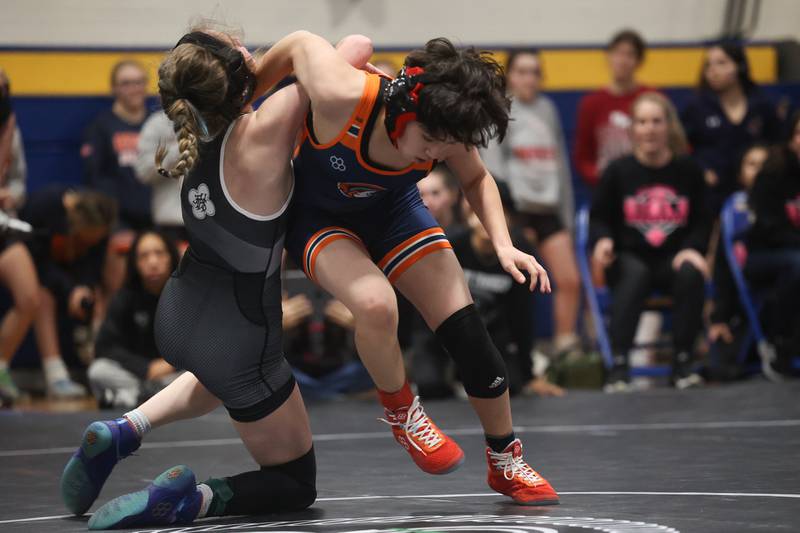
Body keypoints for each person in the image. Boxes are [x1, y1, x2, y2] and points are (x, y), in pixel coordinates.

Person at [60, 30, 376, 530]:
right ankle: (190, 502)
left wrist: (247, 80)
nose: (253, 50)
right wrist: (280, 57)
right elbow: (356, 47)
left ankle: (126, 428)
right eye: (245, 50)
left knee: (215, 377)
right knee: (295, 483)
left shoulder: (199, 134)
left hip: (183, 311)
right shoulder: (266, 126)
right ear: (240, 77)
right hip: (241, 336)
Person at [273, 33, 556, 504]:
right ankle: (404, 413)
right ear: (404, 112)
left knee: (468, 331)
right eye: (428, 143)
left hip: (393, 211)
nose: (433, 157)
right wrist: (243, 97)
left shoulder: (443, 123)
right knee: (375, 304)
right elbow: (299, 42)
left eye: (445, 149)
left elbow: (476, 177)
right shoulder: (345, 94)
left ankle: (505, 460)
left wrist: (504, 245)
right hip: (320, 218)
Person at [591, 92, 710, 392]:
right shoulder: (618, 171)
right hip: (629, 256)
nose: (649, 128)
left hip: (675, 256)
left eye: (656, 121)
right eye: (642, 122)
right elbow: (599, 217)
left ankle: (683, 364)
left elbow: (704, 219)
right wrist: (603, 239)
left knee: (690, 273)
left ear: (669, 126)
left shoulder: (689, 170)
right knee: (635, 274)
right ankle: (619, 366)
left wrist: (694, 249)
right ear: (632, 129)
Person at [481, 48, 581, 359]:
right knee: (523, 284)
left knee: (569, 280)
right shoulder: (498, 108)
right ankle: (521, 352)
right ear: (509, 76)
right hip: (518, 211)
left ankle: (565, 347)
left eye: (535, 72)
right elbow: (491, 167)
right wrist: (505, 215)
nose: (529, 78)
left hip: (547, 210)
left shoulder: (547, 109)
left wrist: (566, 213)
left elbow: (560, 164)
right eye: (522, 71)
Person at [711, 113, 800, 375]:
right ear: (791, 139)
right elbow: (770, 229)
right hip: (766, 254)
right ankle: (779, 341)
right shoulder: (773, 174)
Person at [19, 185, 117, 399]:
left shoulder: (101, 227)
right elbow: (37, 261)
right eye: (87, 237)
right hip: (40, 273)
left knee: (100, 294)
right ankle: (56, 375)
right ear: (78, 224)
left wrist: (86, 288)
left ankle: (102, 362)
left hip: (73, 278)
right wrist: (70, 289)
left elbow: (93, 265)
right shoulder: (45, 206)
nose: (92, 242)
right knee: (43, 296)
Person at [680, 42, 782, 213]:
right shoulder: (696, 107)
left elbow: (777, 146)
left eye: (721, 63)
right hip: (711, 192)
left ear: (739, 66)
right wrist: (699, 170)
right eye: (708, 65)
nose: (713, 70)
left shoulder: (762, 105)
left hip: (756, 191)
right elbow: (678, 145)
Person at [87, 230, 181, 408]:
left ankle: (131, 397)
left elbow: (200, 344)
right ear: (135, 263)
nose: (152, 262)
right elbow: (104, 346)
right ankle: (146, 395)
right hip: (138, 374)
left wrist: (169, 365)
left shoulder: (187, 295)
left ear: (171, 256)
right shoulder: (125, 298)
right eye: (144, 256)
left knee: (199, 375)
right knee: (98, 371)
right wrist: (145, 368)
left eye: (159, 253)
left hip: (173, 374)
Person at [0, 68, 39, 405]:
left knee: (29, 297)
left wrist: (10, 195)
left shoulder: (10, 126)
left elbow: (17, 182)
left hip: (3, 222)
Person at [574, 29, 653, 188]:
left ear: (639, 61)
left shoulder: (651, 98)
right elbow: (583, 157)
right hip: (606, 188)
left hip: (646, 186)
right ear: (608, 57)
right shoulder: (591, 103)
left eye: (630, 55)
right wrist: (601, 178)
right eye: (618, 53)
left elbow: (671, 145)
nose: (623, 60)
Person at [134, 111, 187, 244]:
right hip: (170, 223)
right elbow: (143, 172)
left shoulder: (212, 119)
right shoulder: (156, 124)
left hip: (209, 218)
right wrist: (177, 150)